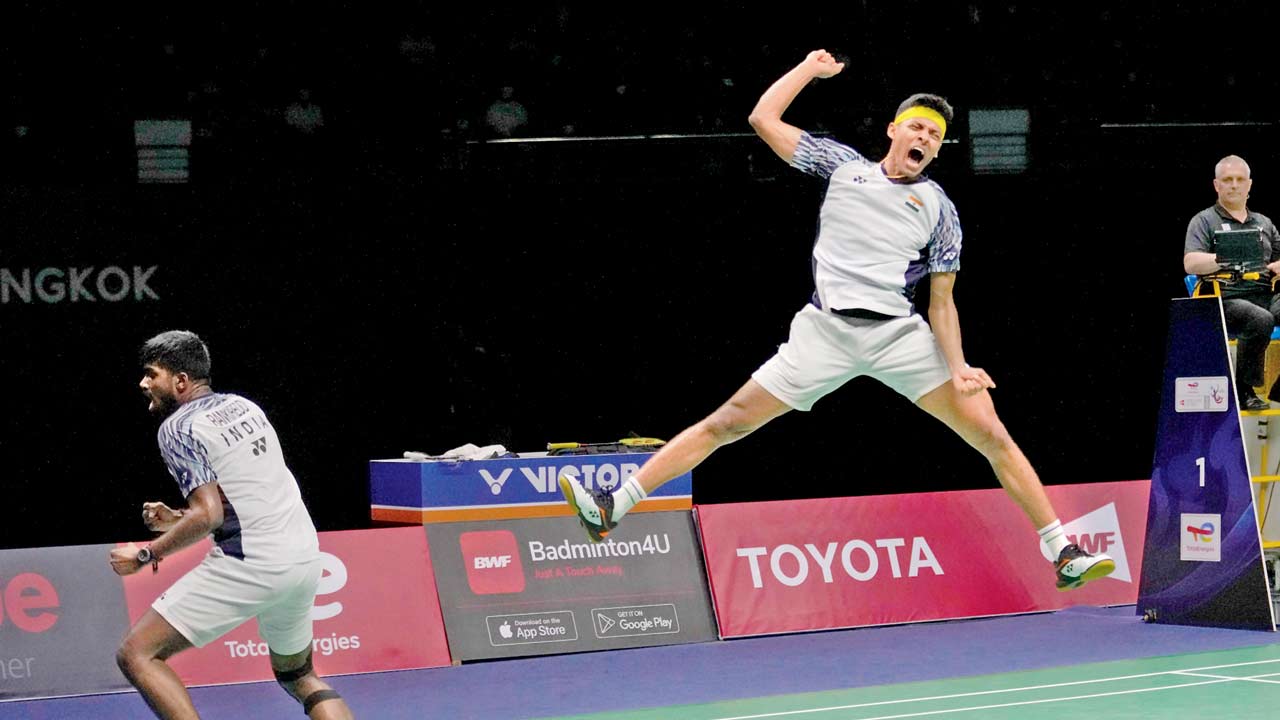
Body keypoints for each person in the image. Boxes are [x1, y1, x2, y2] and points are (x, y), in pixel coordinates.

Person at [559, 49, 1115, 592]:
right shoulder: (843, 167)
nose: (924, 138)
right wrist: (808, 70)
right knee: (727, 422)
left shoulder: (941, 210)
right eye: (917, 127)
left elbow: (942, 302)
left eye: (934, 136)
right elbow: (762, 119)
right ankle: (612, 506)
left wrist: (959, 365)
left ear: (938, 150)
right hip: (824, 331)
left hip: (898, 335)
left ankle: (1061, 550)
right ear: (893, 130)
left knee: (992, 433)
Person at [109, 331, 354, 719]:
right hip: (305, 556)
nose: (143, 384)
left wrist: (145, 554)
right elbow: (242, 495)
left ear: (181, 381)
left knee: (138, 653)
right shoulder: (245, 407)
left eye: (151, 375)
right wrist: (177, 519)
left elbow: (209, 515)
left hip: (252, 562)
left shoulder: (177, 429)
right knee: (300, 674)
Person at [1183, 155, 1280, 411]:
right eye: (1227, 180)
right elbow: (1191, 263)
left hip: (1263, 293)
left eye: (1239, 180)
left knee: (1266, 313)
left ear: (1249, 185)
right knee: (1260, 318)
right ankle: (1245, 390)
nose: (1234, 185)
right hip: (1224, 299)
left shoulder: (1264, 224)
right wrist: (1224, 258)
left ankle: (1279, 389)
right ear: (1217, 185)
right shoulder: (1203, 221)